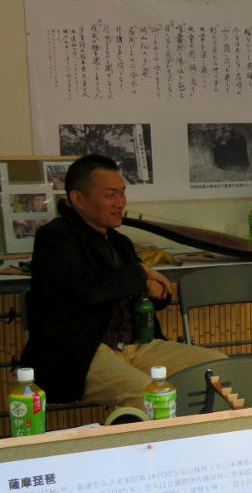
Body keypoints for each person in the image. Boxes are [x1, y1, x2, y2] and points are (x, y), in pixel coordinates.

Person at [20, 154, 225, 421]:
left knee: (218, 368)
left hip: (136, 346)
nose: (120, 202)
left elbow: (137, 291)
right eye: (110, 195)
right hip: (81, 351)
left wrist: (156, 293)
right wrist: (140, 274)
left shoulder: (120, 242)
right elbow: (86, 289)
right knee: (146, 395)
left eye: (122, 193)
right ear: (78, 199)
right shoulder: (55, 238)